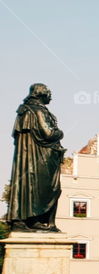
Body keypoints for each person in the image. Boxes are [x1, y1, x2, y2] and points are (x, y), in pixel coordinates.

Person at [7, 83, 66, 232]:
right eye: (48, 92)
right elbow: (48, 134)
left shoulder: (25, 110)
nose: (50, 95)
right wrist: (60, 133)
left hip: (31, 158)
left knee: (30, 187)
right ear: (40, 93)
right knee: (51, 189)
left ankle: (30, 220)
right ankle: (38, 221)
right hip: (41, 159)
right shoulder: (38, 110)